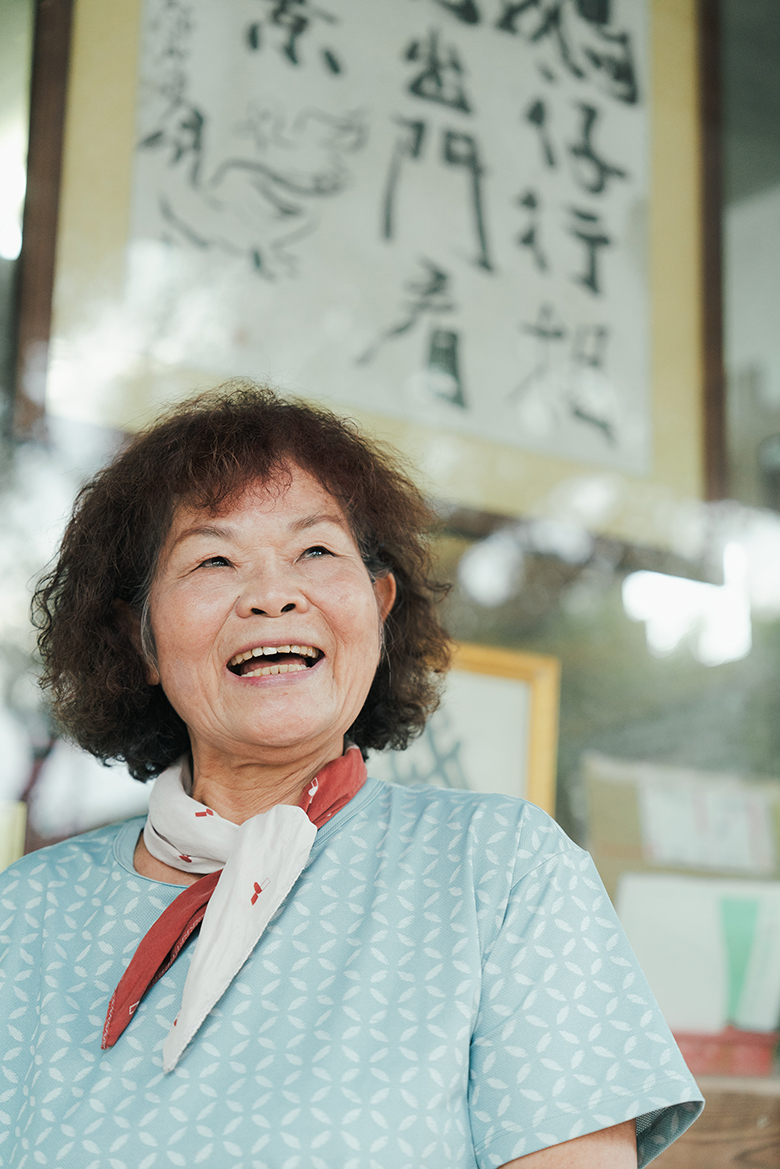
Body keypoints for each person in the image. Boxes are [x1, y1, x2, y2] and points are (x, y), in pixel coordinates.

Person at [0, 384, 702, 1168]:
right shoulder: (23, 917)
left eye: (316, 551)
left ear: (378, 606)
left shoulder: (499, 870)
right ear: (142, 641)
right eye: (214, 559)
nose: (272, 595)